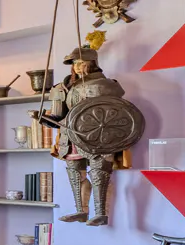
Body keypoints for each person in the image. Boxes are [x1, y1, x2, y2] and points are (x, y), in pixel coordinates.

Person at [32, 45, 126, 226]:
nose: (77, 66)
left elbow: (114, 112)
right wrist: (42, 118)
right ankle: (80, 210)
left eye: (81, 62)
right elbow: (58, 117)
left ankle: (101, 213)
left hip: (99, 136)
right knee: (75, 173)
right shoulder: (64, 88)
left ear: (92, 63)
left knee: (99, 173)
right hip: (71, 136)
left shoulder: (106, 85)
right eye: (75, 63)